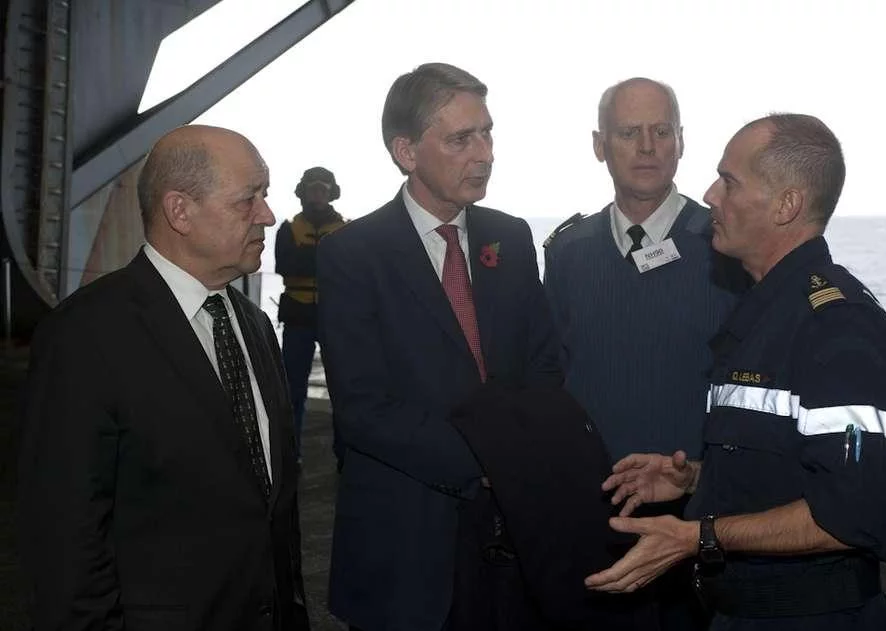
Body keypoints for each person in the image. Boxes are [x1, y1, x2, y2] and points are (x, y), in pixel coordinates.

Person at [585, 114, 886, 630]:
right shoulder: (768, 314)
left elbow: (855, 513)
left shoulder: (836, 328)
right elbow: (794, 463)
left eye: (729, 181)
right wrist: (697, 479)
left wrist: (696, 534)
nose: (709, 195)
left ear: (786, 205)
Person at [17, 125, 309, 631]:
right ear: (180, 211)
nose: (267, 214)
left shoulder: (255, 325)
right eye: (248, 199)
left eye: (265, 195)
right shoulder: (84, 336)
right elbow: (66, 539)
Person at [315, 62, 562, 631]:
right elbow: (363, 408)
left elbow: (544, 364)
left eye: (488, 132)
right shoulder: (352, 254)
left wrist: (521, 456)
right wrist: (488, 460)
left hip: (512, 538)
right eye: (461, 139)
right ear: (406, 151)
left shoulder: (512, 236)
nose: (485, 153)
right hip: (406, 536)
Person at [544, 77, 744, 630]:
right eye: (629, 132)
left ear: (682, 141)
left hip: (701, 506)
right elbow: (554, 376)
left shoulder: (727, 244)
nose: (648, 146)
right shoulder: (567, 251)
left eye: (661, 131)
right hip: (595, 507)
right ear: (598, 145)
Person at [275, 166, 345, 460]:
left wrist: (307, 258)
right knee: (292, 389)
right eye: (312, 188)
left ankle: (345, 451)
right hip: (298, 317)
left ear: (331, 193)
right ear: (303, 192)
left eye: (322, 188)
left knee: (344, 388)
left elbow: (346, 271)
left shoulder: (345, 228)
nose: (317, 193)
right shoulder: (288, 228)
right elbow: (285, 266)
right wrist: (324, 259)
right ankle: (291, 454)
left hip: (335, 318)